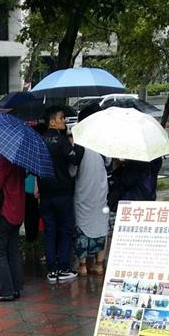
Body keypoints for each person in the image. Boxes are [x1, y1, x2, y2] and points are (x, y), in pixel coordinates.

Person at [38, 106, 84, 284]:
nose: (64, 122)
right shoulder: (61, 140)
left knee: (50, 231)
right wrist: (79, 143)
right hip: (62, 193)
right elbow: (75, 158)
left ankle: (52, 270)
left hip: (45, 194)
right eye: (62, 118)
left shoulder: (40, 141)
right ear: (52, 121)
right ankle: (64, 267)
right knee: (65, 230)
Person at [73, 104, 109, 276]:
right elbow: (109, 164)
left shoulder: (79, 145)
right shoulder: (103, 143)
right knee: (101, 226)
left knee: (82, 227)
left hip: (83, 193)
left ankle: (82, 266)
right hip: (101, 192)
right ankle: (99, 264)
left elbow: (72, 171)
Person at [0, 155, 25, 302]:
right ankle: (15, 288)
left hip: (6, 211)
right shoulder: (20, 160)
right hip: (18, 211)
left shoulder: (4, 159)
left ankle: (6, 290)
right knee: (13, 252)